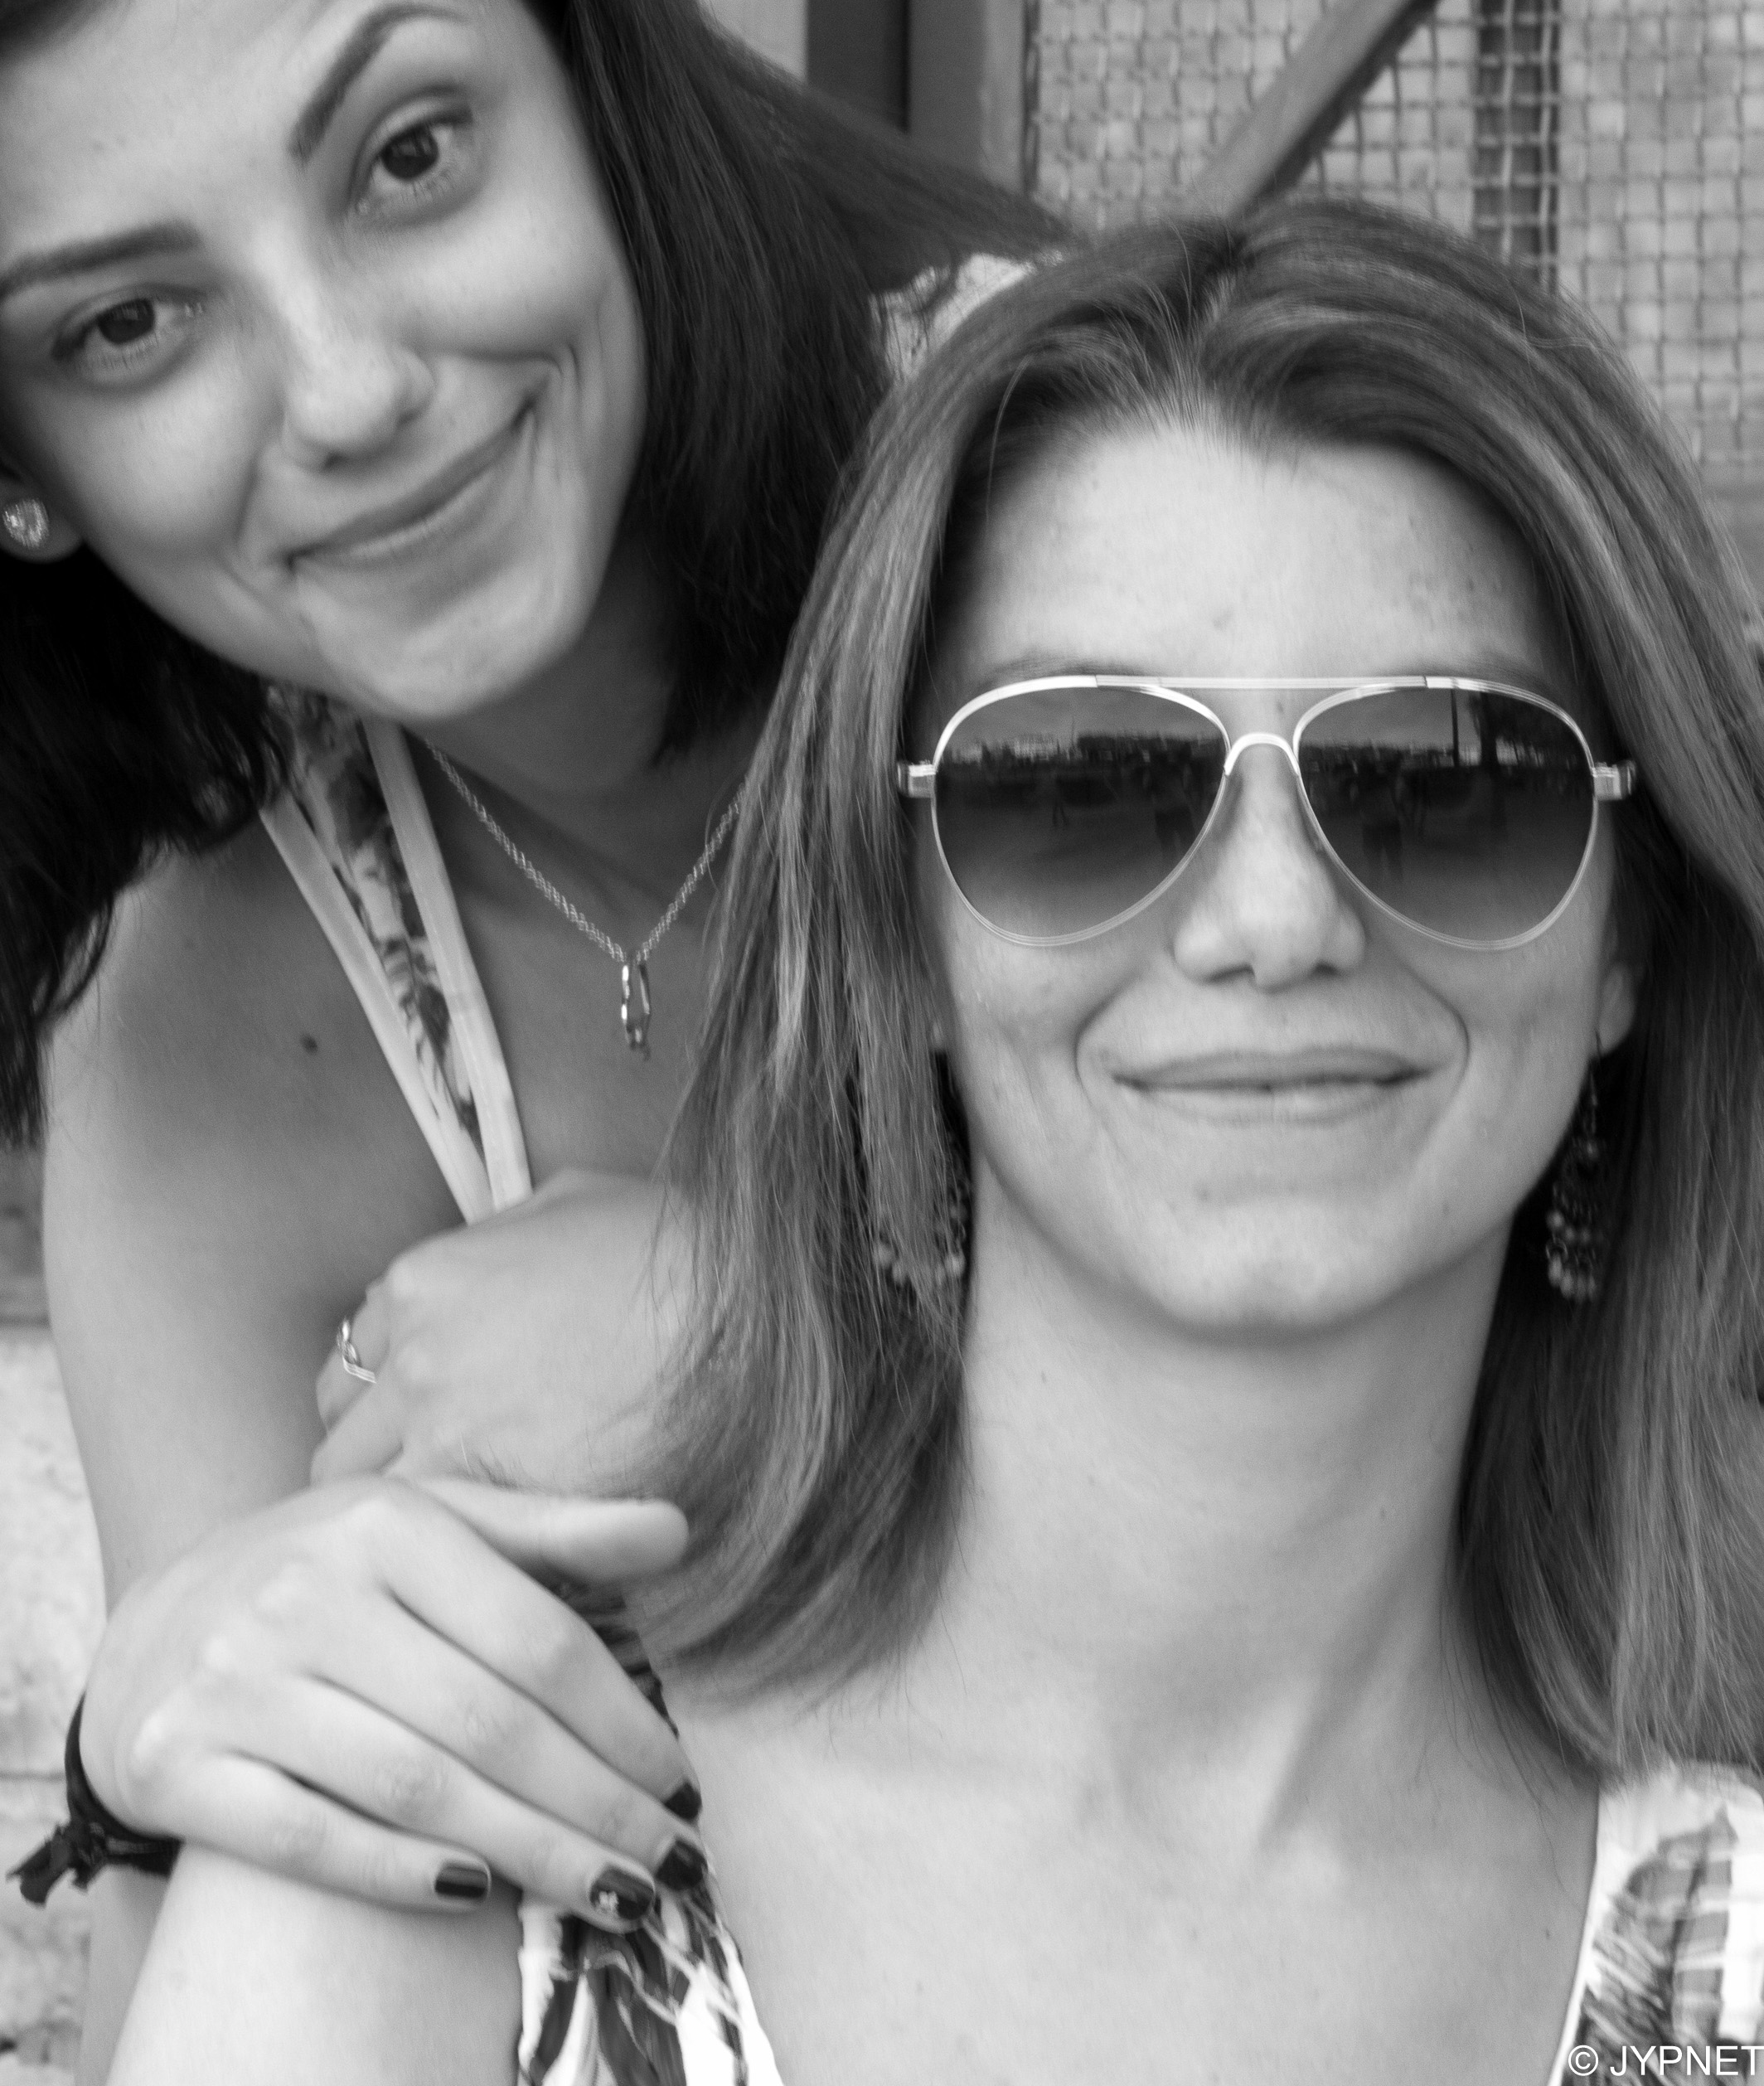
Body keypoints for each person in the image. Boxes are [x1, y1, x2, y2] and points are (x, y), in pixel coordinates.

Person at [0, 0, 1063, 2066]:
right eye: (128, 328)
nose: (354, 386)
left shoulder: (1083, 531)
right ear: (2, 473)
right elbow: (216, 1943)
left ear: (592, 68)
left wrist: (771, 1332)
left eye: (409, 157)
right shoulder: (218, 996)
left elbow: (1589, 1415)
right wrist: (159, 1726)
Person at [107, 201, 1764, 2080]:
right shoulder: (464, 1809)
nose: (1275, 921)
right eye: (1081, 783)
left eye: (1446, 782)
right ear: (896, 933)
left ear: (1628, 934)